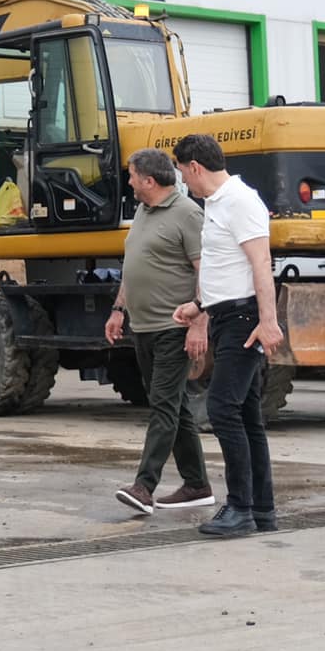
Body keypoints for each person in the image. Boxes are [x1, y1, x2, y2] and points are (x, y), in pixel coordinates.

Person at [170, 133, 283, 537]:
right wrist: (199, 306)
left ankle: (240, 508)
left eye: (184, 173)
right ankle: (261, 509)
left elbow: (260, 263)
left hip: (243, 319)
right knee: (247, 415)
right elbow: (225, 266)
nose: (185, 182)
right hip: (224, 315)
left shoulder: (239, 200)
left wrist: (267, 321)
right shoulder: (217, 204)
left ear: (195, 167)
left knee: (222, 409)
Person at [105, 148, 212, 515]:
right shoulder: (143, 210)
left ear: (149, 181)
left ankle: (144, 486)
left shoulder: (188, 214)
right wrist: (119, 309)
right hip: (144, 327)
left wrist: (199, 323)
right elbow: (134, 264)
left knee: (163, 406)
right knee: (175, 406)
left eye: (133, 175)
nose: (129, 181)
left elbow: (206, 272)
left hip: (174, 327)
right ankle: (197, 485)